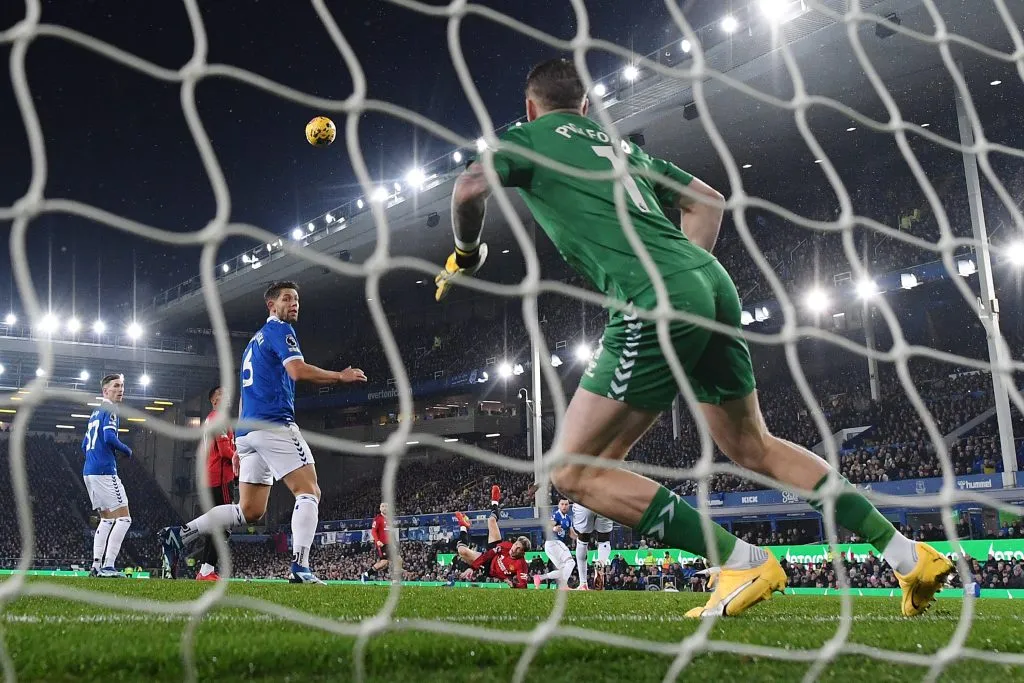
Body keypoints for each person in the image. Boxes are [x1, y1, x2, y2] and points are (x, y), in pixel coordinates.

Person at [434, 58, 952, 617]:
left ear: (530, 107)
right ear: (585, 107)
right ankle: (906, 555)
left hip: (654, 297)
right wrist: (686, 293)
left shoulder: (525, 138)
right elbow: (707, 200)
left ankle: (741, 560)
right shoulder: (622, 150)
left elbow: (467, 189)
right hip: (711, 283)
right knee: (753, 446)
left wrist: (466, 253)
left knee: (572, 472)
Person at [161, 281, 367, 583]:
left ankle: (179, 535)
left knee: (249, 510)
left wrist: (242, 441)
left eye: (297, 299)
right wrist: (340, 376)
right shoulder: (279, 330)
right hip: (274, 423)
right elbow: (297, 370)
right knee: (309, 491)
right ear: (271, 305)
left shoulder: (253, 342)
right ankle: (300, 567)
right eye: (287, 299)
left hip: (248, 430)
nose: (294, 304)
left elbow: (246, 393)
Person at [82, 373, 133, 578]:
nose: (120, 389)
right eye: (116, 386)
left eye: (122, 386)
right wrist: (127, 450)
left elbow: (84, 444)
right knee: (124, 519)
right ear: (105, 391)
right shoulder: (111, 409)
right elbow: (109, 437)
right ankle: (109, 566)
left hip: (89, 471)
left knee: (106, 520)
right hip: (104, 472)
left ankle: (96, 565)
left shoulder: (95, 412)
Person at [194, 385, 236, 581]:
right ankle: (207, 569)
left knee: (215, 525)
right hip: (219, 478)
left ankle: (204, 571)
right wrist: (242, 457)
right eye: (222, 395)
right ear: (214, 401)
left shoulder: (210, 420)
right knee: (224, 526)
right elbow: (226, 451)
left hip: (209, 477)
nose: (227, 397)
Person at [453, 486, 530, 588]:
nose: (514, 548)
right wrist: (472, 568)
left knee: (462, 551)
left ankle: (463, 526)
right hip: (492, 553)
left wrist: (513, 585)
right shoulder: (507, 546)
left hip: (489, 567)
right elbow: (489, 554)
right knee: (491, 520)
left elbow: (523, 585)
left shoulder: (521, 565)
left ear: (522, 553)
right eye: (515, 544)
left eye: (518, 548)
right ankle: (495, 502)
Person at [533, 498, 575, 589]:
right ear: (559, 505)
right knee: (571, 562)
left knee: (563, 570)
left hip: (552, 546)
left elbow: (572, 534)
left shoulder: (568, 519)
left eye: (566, 504)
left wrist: (582, 539)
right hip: (554, 542)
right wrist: (554, 528)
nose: (564, 506)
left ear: (569, 506)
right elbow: (549, 525)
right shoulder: (556, 515)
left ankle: (539, 578)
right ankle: (563, 585)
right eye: (562, 504)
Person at [572, 504, 612, 591]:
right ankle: (601, 562)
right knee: (604, 539)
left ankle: (583, 584)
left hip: (583, 501)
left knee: (582, 540)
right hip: (605, 500)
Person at [362, 502, 392, 582]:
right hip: (382, 544)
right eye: (383, 506)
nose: (384, 508)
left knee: (385, 563)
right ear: (380, 508)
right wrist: (377, 541)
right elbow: (373, 531)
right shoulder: (378, 519)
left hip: (388, 544)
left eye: (386, 506)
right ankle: (366, 574)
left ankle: (367, 575)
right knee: (385, 561)